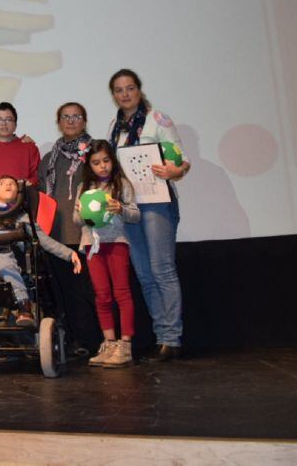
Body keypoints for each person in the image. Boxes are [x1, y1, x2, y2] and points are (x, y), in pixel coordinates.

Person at [108, 68, 190, 361]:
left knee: (162, 270)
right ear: (113, 95)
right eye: (119, 90)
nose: (125, 94)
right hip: (129, 207)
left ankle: (172, 338)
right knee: (143, 274)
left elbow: (181, 160)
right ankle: (161, 336)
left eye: (130, 88)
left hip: (157, 204)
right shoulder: (115, 128)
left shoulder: (158, 119)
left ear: (139, 90)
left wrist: (174, 170)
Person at [0, 176, 82, 326]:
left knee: (3, 262)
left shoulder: (24, 218)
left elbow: (45, 241)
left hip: (7, 250)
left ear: (18, 194)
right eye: (3, 183)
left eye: (12, 184)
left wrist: (69, 254)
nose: (8, 184)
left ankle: (23, 307)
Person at [38, 102, 101, 354]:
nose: (71, 121)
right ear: (58, 121)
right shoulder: (49, 159)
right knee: (68, 296)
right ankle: (77, 342)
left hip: (89, 236)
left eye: (77, 116)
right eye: (66, 117)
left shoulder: (96, 153)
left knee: (92, 291)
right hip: (57, 238)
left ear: (84, 121)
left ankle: (99, 340)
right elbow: (42, 196)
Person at [73, 140, 140, 368]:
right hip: (93, 246)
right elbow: (76, 219)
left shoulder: (121, 184)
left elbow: (135, 214)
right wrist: (82, 213)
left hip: (117, 243)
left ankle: (125, 345)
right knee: (102, 295)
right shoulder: (84, 188)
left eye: (106, 161)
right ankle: (109, 342)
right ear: (89, 165)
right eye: (96, 163)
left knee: (122, 293)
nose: (102, 166)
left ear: (112, 161)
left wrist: (120, 208)